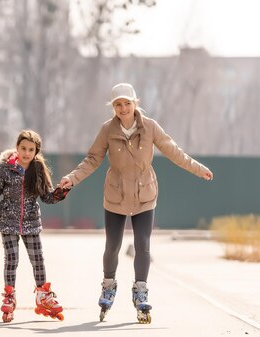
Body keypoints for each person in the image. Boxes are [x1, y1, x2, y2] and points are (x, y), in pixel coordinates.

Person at [59, 83, 214, 324]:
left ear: (135, 103)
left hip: (144, 195)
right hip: (116, 195)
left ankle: (140, 290)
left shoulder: (150, 127)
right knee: (113, 245)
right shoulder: (107, 130)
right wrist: (71, 178)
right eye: (118, 105)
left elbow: (174, 151)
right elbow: (92, 159)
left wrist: (199, 169)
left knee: (143, 244)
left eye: (127, 103)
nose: (123, 108)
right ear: (113, 107)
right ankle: (108, 285)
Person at [0, 129, 69, 323]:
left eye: (31, 149)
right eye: (23, 148)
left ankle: (43, 295)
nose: (26, 153)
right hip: (8, 221)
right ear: (16, 148)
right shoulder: (6, 170)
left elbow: (46, 197)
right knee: (12, 259)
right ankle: (10, 295)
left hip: (31, 222)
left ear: (36, 152)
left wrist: (60, 192)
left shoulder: (38, 170)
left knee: (37, 258)